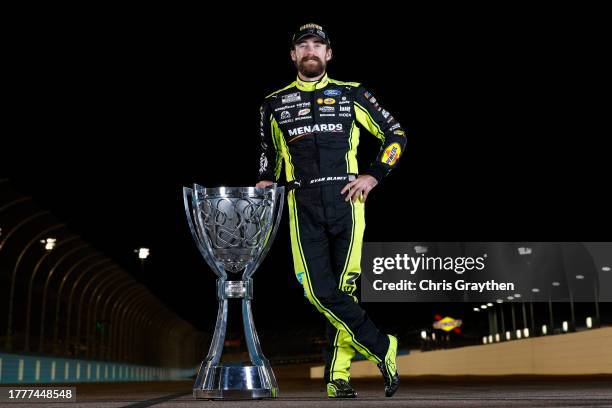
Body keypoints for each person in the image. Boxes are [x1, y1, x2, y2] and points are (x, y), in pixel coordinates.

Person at [256, 23, 406, 398]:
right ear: (293, 55)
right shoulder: (273, 103)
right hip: (300, 204)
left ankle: (337, 377)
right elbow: (270, 154)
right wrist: (263, 179)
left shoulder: (352, 93)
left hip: (347, 202)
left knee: (345, 289)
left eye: (317, 46)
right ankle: (381, 345)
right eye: (303, 46)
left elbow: (396, 135)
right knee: (317, 291)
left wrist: (373, 175)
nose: (310, 51)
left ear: (329, 54)